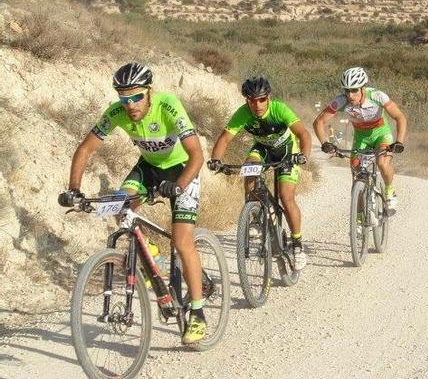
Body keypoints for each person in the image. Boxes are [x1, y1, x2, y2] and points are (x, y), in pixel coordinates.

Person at [58, 62, 208, 344]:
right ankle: (153, 258)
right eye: (124, 98)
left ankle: (198, 314)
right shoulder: (117, 112)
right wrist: (74, 189)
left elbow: (197, 155)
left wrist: (179, 186)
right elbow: (86, 148)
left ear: (149, 92)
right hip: (149, 168)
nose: (130, 104)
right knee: (119, 205)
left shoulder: (168, 105)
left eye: (136, 96)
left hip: (182, 170)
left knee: (182, 241)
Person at [207, 76, 311, 270]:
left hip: (288, 150)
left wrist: (303, 155)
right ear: (246, 100)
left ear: (268, 97)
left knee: (287, 199)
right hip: (263, 149)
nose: (257, 105)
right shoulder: (243, 113)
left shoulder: (279, 109)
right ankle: (254, 216)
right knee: (249, 169)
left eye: (261, 99)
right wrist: (216, 160)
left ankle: (297, 246)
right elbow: (224, 139)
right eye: (252, 100)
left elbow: (303, 134)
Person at [312, 67, 406, 209]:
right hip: (361, 137)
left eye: (354, 90)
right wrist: (325, 143)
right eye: (347, 90)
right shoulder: (341, 101)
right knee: (356, 172)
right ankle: (360, 217)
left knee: (382, 163)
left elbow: (400, 117)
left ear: (362, 88)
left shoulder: (377, 96)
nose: (350, 95)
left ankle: (389, 189)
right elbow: (319, 122)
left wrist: (399, 141)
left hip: (381, 133)